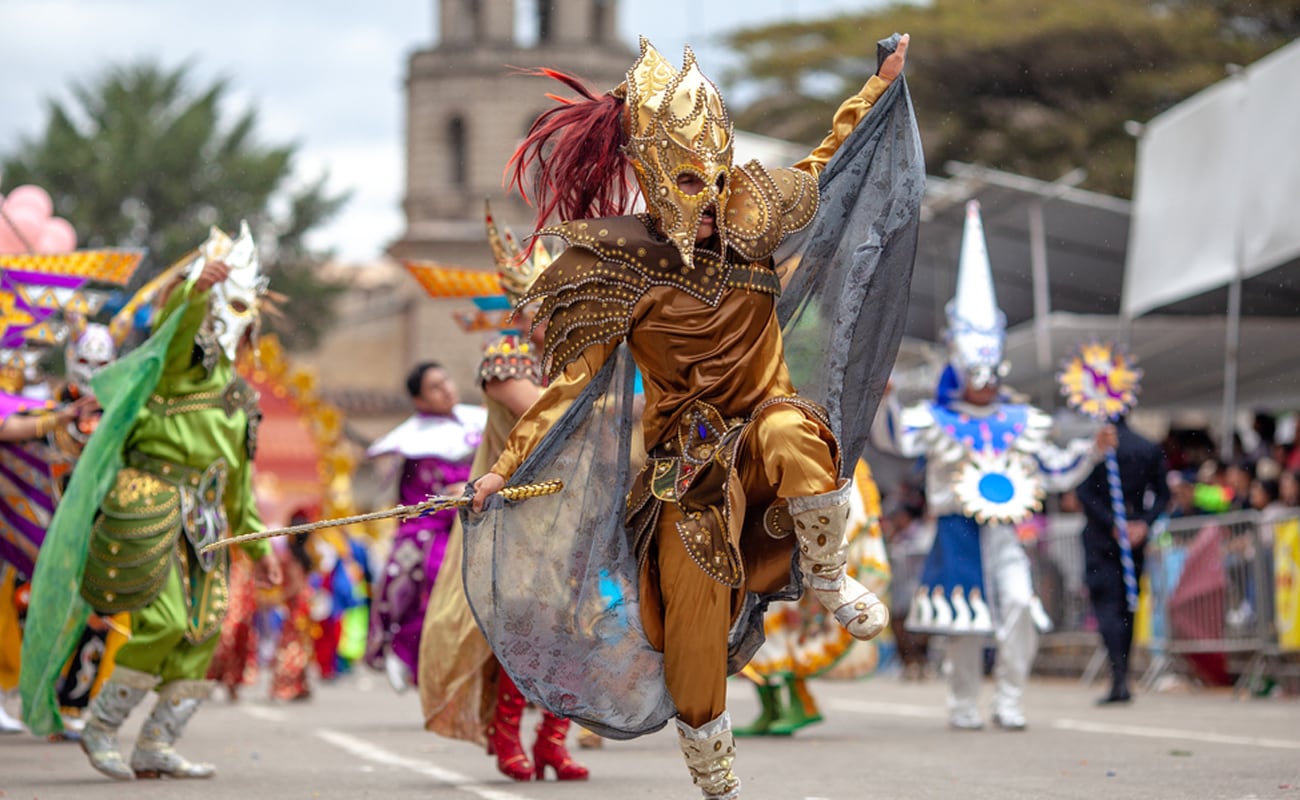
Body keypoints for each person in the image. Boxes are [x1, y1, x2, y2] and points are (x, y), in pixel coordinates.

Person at [468, 34, 923, 799]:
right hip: (687, 468)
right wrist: (500, 470)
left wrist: (878, 83)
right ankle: (716, 780)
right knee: (696, 621)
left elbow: (833, 158)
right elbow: (564, 388)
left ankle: (827, 570)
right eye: (688, 181)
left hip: (764, 438)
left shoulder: (759, 219)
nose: (710, 200)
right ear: (650, 174)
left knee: (790, 429)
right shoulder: (617, 267)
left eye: (716, 180)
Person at [21, 223, 283, 780]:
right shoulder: (176, 369)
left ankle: (157, 743)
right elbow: (175, 325)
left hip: (208, 521)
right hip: (152, 501)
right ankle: (100, 727)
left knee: (202, 629)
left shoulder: (240, 400)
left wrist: (261, 549)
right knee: (163, 620)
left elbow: (239, 485)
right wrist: (194, 290)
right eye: (228, 309)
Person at [874, 201, 1114, 731]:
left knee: (1022, 606)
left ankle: (1009, 699)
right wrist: (887, 401)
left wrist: (1092, 450)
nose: (983, 379)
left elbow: (1052, 468)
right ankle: (963, 704)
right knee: (963, 625)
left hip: (1006, 532)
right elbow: (897, 439)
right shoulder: (935, 417)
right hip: (955, 530)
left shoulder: (1020, 418)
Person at [418, 206, 589, 781]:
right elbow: (542, 416)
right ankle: (507, 733)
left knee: (578, 624)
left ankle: (554, 740)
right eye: (550, 305)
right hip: (516, 513)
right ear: (525, 308)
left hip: (571, 510)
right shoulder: (506, 357)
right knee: (528, 623)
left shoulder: (571, 364)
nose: (560, 315)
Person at [365, 362, 485, 693]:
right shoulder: (414, 443)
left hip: (478, 524)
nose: (446, 387)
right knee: (439, 581)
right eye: (434, 386)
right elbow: (422, 499)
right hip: (433, 531)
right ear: (420, 400)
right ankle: (408, 652)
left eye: (445, 379)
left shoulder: (478, 421)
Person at [1076, 418, 1168, 705]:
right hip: (1122, 536)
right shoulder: (1146, 447)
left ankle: (1120, 676)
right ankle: (1120, 676)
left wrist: (1128, 524)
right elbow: (1163, 495)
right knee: (1124, 609)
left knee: (1112, 608)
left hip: (1105, 541)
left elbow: (1084, 493)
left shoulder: (1100, 448)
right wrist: (1140, 523)